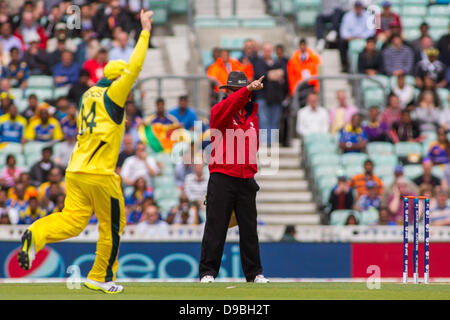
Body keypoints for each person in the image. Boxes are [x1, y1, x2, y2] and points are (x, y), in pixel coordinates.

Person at [17, 10, 154, 294]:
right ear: (118, 81)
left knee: (73, 220)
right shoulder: (114, 94)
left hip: (75, 170)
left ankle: (36, 234)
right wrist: (145, 32)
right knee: (113, 226)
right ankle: (100, 277)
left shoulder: (87, 95)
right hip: (100, 174)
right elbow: (136, 66)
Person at [199, 71, 268, 283]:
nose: (236, 94)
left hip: (245, 178)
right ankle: (208, 272)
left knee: (249, 230)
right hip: (222, 176)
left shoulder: (252, 116)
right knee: (216, 227)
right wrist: (246, 90)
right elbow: (229, 106)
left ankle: (254, 273)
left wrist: (250, 169)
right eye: (233, 91)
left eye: (237, 90)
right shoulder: (219, 111)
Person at [253, 42, 287, 145]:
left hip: (276, 97)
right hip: (262, 96)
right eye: (266, 50)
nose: (268, 52)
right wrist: (274, 74)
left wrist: (270, 74)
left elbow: (283, 73)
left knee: (275, 121)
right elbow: (263, 76)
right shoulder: (259, 62)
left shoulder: (278, 62)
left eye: (269, 50)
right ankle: (264, 145)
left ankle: (273, 144)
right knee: (264, 121)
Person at [339, 1, 375, 72]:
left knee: (372, 42)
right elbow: (343, 30)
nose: (358, 9)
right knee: (341, 42)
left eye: (359, 7)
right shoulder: (347, 16)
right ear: (354, 7)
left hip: (364, 38)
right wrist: (349, 37)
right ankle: (345, 65)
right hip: (351, 38)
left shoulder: (367, 16)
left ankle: (369, 66)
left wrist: (362, 37)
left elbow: (371, 31)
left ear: (362, 7)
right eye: (357, 7)